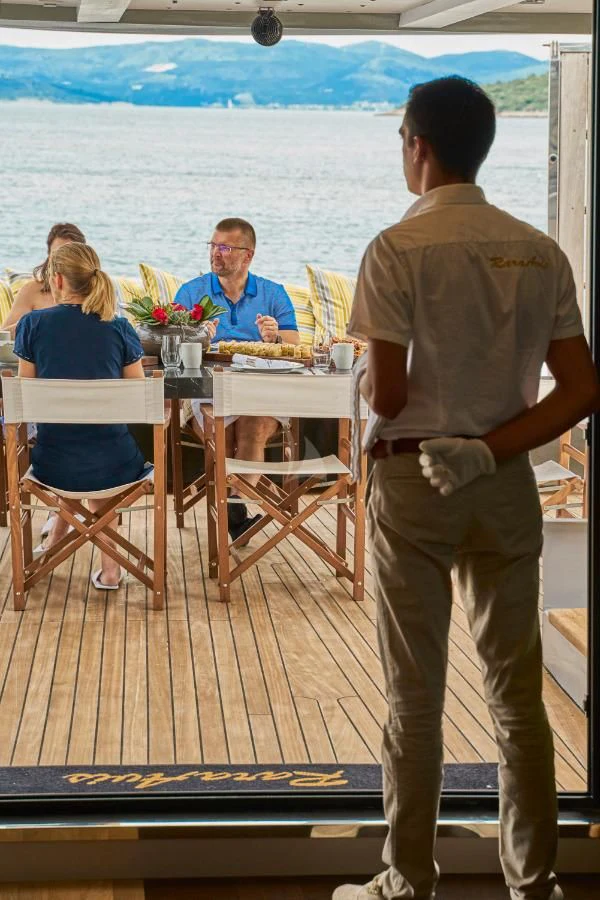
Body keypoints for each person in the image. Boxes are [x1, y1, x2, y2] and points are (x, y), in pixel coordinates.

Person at [334, 77, 600, 900]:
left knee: (414, 694)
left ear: (417, 144)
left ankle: (408, 879)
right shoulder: (537, 249)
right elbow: (581, 388)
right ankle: (535, 883)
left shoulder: (393, 248)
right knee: (517, 692)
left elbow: (386, 396)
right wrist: (489, 451)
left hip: (414, 482)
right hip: (504, 480)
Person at [13, 241, 147, 591]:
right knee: (99, 448)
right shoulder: (119, 328)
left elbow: (27, 396)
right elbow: (137, 399)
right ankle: (110, 570)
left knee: (75, 446)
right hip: (116, 463)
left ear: (57, 280)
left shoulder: (33, 325)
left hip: (52, 464)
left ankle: (56, 547)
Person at [174, 217, 299, 541]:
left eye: (225, 247)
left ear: (248, 255)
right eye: (213, 246)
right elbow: (171, 350)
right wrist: (197, 337)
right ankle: (238, 515)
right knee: (222, 432)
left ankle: (234, 506)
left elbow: (294, 346)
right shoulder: (191, 292)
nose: (216, 253)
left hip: (261, 393)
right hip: (206, 392)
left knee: (253, 425)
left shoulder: (272, 293)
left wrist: (274, 339)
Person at [1, 222, 86, 333]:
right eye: (57, 255)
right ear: (49, 256)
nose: (62, 261)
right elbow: (5, 337)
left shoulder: (97, 293)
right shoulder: (31, 291)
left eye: (69, 256)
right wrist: (32, 323)